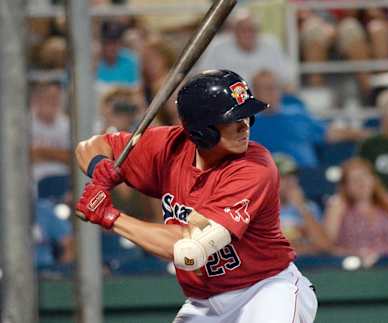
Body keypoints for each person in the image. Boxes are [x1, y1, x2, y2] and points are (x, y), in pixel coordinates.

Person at [75, 70, 318, 323]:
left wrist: (111, 217)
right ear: (202, 130)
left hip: (264, 290)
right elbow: (89, 146)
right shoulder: (167, 147)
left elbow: (189, 252)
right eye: (233, 118)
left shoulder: (254, 167)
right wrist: (99, 167)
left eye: (246, 116)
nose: (244, 125)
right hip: (204, 303)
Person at [251, 69, 369, 168]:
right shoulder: (247, 124)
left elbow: (329, 133)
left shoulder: (297, 114)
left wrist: (363, 135)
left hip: (307, 176)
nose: (272, 93)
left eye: (275, 87)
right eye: (267, 88)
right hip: (269, 180)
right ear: (255, 93)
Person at [323, 158, 388, 267]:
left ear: (373, 180)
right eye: (354, 179)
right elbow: (328, 247)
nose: (361, 183)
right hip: (355, 268)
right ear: (346, 186)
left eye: (365, 177)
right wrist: (355, 255)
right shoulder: (338, 206)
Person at [196, 8, 294, 89]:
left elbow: (288, 78)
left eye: (252, 29)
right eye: (243, 29)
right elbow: (204, 77)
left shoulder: (271, 44)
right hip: (229, 101)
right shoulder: (217, 46)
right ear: (233, 30)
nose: (248, 34)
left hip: (265, 102)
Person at [273, 153, 331, 256]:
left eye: (293, 176)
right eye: (284, 177)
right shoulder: (259, 209)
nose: (291, 182)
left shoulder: (310, 207)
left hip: (308, 267)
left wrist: (302, 207)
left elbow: (324, 245)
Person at [30, 81, 70, 191]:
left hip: (64, 180)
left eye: (56, 97)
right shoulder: (25, 124)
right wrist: (58, 155)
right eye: (48, 97)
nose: (53, 101)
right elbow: (24, 156)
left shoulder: (67, 125)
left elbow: (74, 158)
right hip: (34, 182)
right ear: (36, 99)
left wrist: (41, 152)